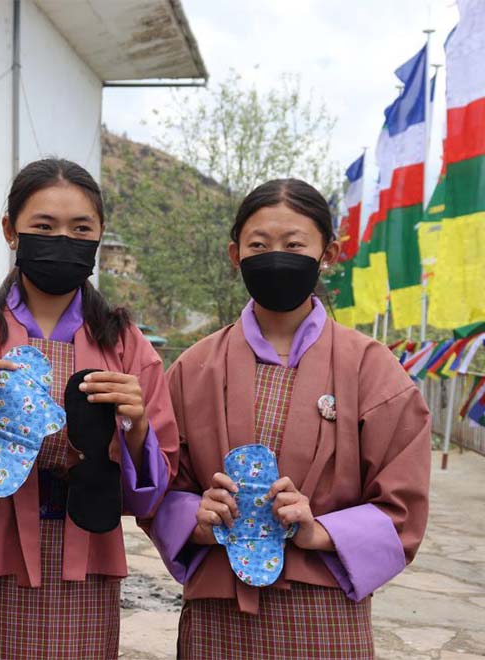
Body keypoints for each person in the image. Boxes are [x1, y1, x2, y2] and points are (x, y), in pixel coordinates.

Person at [147, 178, 431, 659]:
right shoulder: (193, 369)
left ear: (328, 253)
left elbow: (402, 507)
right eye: (259, 245)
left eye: (294, 244)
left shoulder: (373, 369)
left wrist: (319, 530)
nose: (275, 256)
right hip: (218, 616)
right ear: (236, 255)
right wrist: (195, 518)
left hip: (325, 611)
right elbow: (159, 483)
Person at [0, 158, 180, 659]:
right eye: (44, 226)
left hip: (83, 564)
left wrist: (136, 424)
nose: (63, 240)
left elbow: (155, 483)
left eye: (81, 228)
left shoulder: (126, 344)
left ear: (99, 236)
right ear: (11, 230)